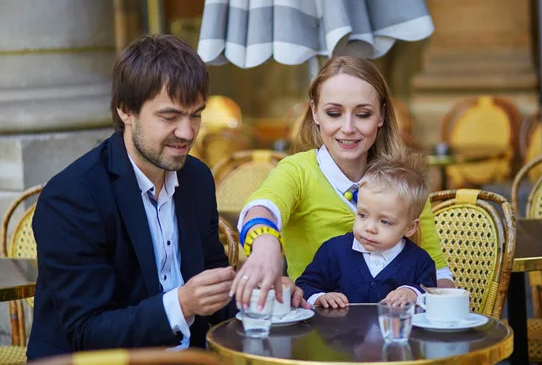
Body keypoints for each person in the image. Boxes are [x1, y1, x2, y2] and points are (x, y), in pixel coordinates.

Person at [29, 35, 235, 359]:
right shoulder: (72, 196)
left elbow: (215, 286)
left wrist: (264, 300)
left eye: (195, 114)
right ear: (126, 109)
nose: (188, 132)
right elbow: (87, 332)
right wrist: (181, 304)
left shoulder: (196, 179)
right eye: (170, 117)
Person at [231, 56, 453, 309]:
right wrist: (265, 242)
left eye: (363, 114)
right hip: (316, 333)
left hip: (396, 336)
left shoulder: (403, 181)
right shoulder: (297, 170)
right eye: (334, 113)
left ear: (381, 115)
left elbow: (437, 271)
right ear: (315, 112)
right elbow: (262, 206)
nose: (347, 128)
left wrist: (443, 310)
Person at [295, 150, 436, 307]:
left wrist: (413, 293)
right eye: (362, 215)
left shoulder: (420, 262)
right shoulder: (334, 251)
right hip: (342, 331)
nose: (370, 228)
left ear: (410, 227)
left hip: (395, 331)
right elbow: (305, 285)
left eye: (384, 222)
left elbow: (432, 295)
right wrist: (320, 297)